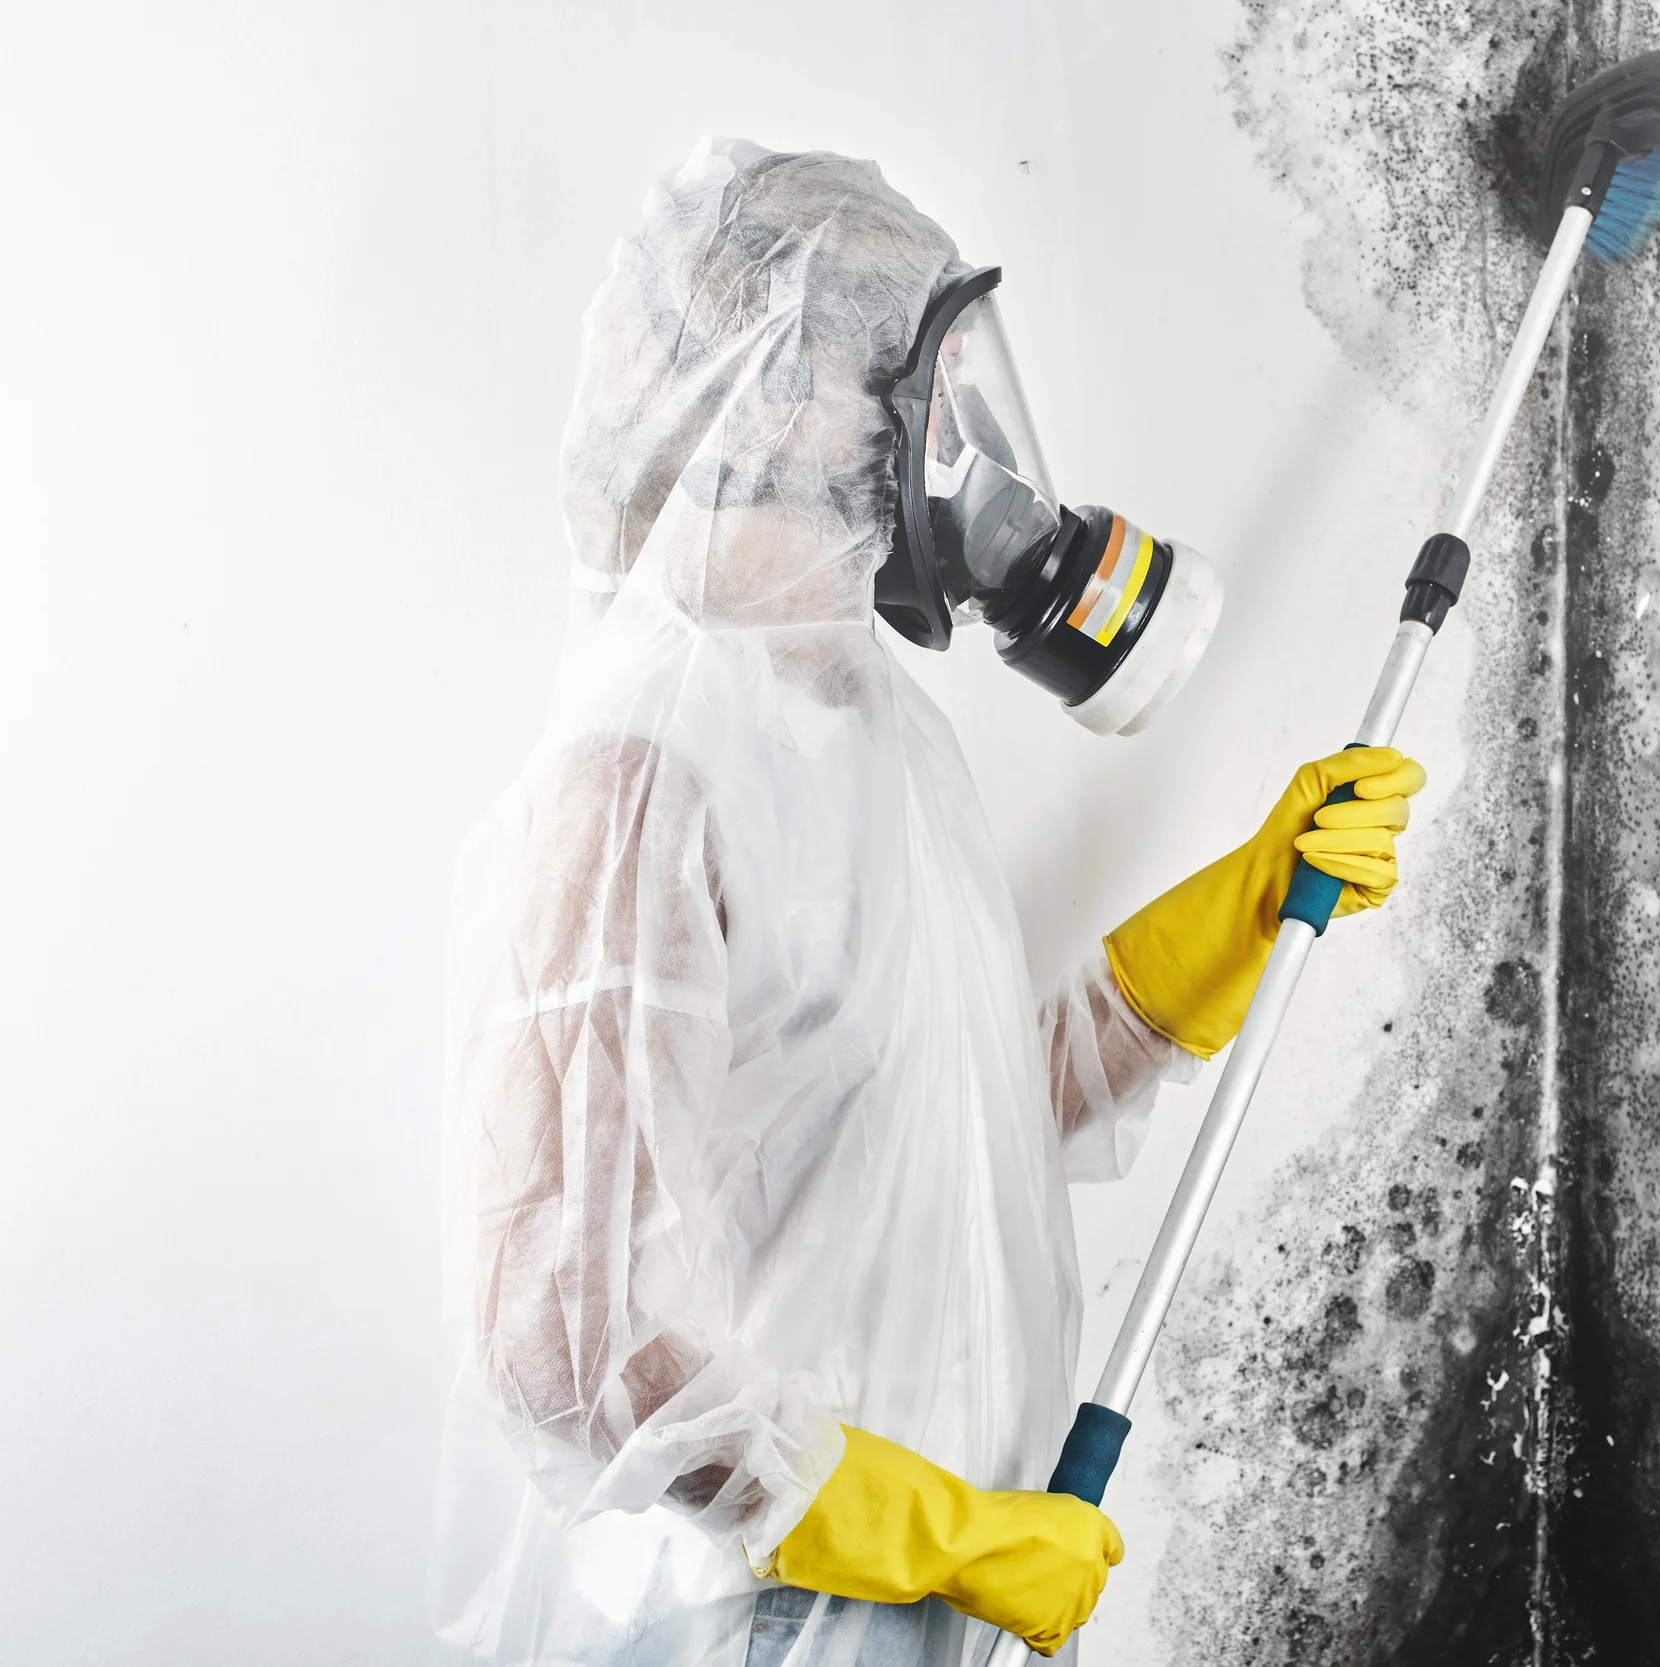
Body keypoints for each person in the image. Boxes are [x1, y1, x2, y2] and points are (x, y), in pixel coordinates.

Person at [433, 138, 1426, 1667]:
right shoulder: (646, 771)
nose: (961, 439)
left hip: (894, 1614)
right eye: (915, 380)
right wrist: (934, 1530)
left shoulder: (878, 738)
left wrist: (1234, 916)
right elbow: (559, 1333)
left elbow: (937, 1134)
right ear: (772, 397)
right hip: (733, 1626)